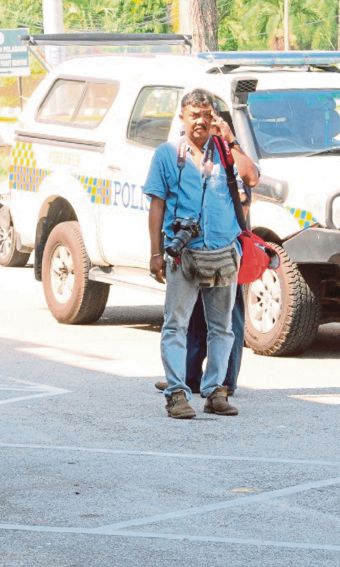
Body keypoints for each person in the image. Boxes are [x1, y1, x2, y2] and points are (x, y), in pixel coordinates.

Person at [145, 88, 258, 419]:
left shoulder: (224, 151)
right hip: (183, 254)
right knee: (175, 325)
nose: (201, 122)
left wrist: (231, 140)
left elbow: (251, 177)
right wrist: (155, 253)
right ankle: (177, 394)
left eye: (207, 116)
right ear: (182, 117)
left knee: (222, 328)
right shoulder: (166, 155)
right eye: (195, 115)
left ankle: (215, 392)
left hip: (223, 253)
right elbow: (156, 204)